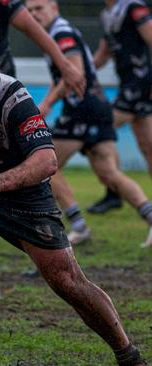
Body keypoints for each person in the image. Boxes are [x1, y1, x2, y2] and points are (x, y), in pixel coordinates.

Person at [0, 28, 147, 366]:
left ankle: (128, 353)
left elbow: (46, 161)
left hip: (22, 197)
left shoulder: (14, 98)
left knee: (67, 281)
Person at [26, 0, 152, 247]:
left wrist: (48, 102)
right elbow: (81, 67)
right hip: (97, 108)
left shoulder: (61, 32)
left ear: (54, 7)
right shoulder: (58, 32)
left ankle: (78, 226)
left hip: (82, 111)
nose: (33, 15)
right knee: (110, 173)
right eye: (29, 11)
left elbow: (75, 72)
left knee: (43, 165)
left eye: (39, 8)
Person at [89, 0, 152, 215]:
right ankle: (114, 192)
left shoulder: (133, 8)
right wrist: (80, 70)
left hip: (140, 85)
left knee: (100, 129)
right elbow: (104, 53)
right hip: (130, 85)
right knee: (148, 146)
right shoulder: (108, 14)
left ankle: (113, 193)